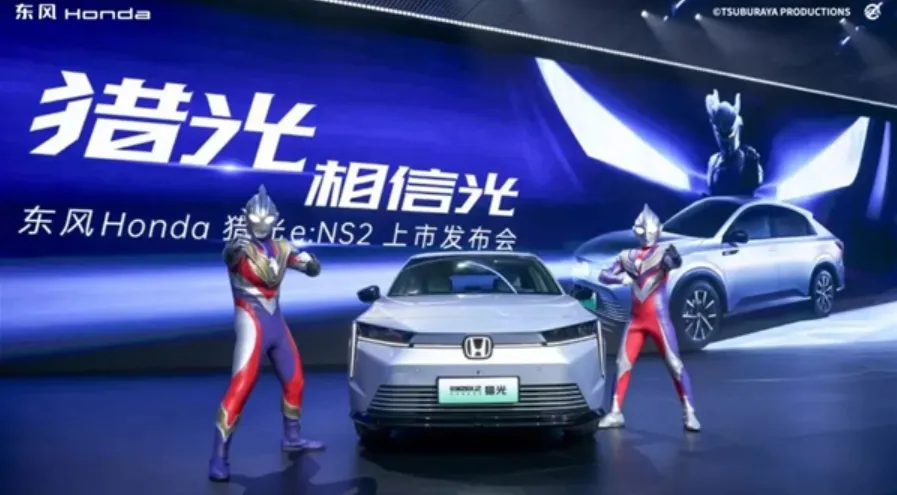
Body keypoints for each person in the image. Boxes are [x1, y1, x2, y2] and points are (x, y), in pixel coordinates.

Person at [209, 185, 324, 482]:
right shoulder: (240, 248)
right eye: (255, 219)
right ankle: (219, 456)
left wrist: (310, 262)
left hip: (275, 323)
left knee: (295, 380)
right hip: (251, 321)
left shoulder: (282, 248)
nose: (261, 224)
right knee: (242, 386)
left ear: (275, 219)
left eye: (267, 219)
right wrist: (232, 249)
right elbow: (229, 255)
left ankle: (292, 437)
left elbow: (311, 268)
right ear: (247, 218)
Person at [596, 204, 701, 432]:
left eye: (649, 228)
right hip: (636, 320)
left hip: (658, 319)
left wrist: (669, 261)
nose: (646, 232)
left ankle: (689, 412)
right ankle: (615, 412)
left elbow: (675, 262)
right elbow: (603, 275)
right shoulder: (627, 256)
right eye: (642, 228)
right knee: (622, 363)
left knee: (674, 364)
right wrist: (619, 279)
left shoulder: (664, 252)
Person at [705, 89, 763, 197]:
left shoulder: (748, 159)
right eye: (722, 133)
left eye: (728, 133)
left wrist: (751, 166)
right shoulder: (713, 161)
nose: (726, 141)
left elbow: (751, 184)